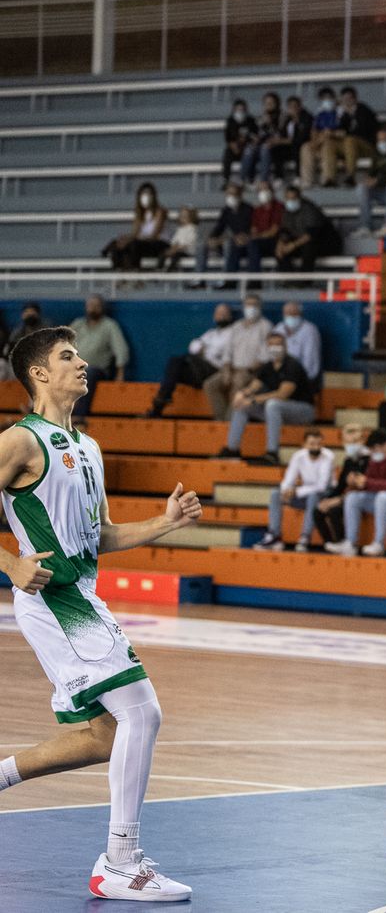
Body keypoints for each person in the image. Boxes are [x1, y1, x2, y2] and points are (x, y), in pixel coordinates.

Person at [0, 324, 203, 902]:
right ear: (39, 373)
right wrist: (11, 564)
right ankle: (120, 861)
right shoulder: (19, 440)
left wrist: (165, 522)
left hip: (82, 595)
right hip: (54, 598)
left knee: (105, 736)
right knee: (144, 713)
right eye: (68, 356)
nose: (82, 362)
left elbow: (100, 536)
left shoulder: (87, 446)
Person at [216, 332, 316, 466]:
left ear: (285, 346)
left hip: (303, 410)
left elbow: (283, 394)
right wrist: (242, 394)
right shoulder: (267, 367)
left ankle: (272, 453)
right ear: (267, 347)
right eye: (271, 345)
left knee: (272, 404)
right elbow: (254, 386)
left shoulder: (292, 365)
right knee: (242, 405)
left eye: (278, 345)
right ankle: (232, 449)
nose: (275, 348)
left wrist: (253, 400)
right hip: (278, 412)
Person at [327, 429, 386, 558]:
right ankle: (350, 543)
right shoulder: (375, 460)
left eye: (374, 449)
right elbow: (369, 482)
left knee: (383, 496)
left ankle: (379, 543)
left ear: (385, 446)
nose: (373, 453)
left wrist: (367, 482)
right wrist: (357, 482)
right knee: (353, 498)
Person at [144, 302, 235, 418]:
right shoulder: (211, 333)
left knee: (181, 360)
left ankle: (160, 401)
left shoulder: (233, 333)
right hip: (200, 370)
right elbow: (193, 346)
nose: (221, 316)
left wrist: (204, 350)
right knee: (175, 363)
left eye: (224, 313)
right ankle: (160, 402)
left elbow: (219, 353)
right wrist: (203, 349)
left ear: (229, 316)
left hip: (215, 372)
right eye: (218, 313)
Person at [255, 429, 336, 552]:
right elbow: (288, 479)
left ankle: (305, 537)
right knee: (276, 494)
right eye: (312, 444)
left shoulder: (328, 456)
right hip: (305, 491)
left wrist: (296, 491)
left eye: (319, 444)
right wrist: (286, 490)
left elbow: (321, 486)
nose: (316, 447)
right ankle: (274, 535)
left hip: (326, 493)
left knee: (313, 496)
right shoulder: (298, 456)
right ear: (304, 445)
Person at [204, 293, 271, 420]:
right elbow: (227, 352)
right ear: (244, 307)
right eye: (248, 305)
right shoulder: (237, 326)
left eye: (254, 305)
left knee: (238, 383)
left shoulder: (265, 326)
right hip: (232, 368)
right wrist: (227, 370)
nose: (251, 308)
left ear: (260, 307)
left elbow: (265, 356)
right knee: (210, 384)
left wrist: (248, 371)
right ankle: (221, 419)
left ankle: (230, 421)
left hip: (252, 371)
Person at [69, 295, 129, 425]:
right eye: (91, 306)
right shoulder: (78, 324)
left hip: (97, 370)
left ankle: (78, 416)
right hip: (73, 368)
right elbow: (62, 343)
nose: (93, 309)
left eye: (97, 306)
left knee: (88, 373)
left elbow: (121, 349)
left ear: (102, 308)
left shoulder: (109, 326)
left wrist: (120, 374)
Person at [315, 422, 371, 546]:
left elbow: (366, 486)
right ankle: (329, 543)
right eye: (348, 442)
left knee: (334, 510)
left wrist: (339, 500)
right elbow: (340, 486)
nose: (351, 445)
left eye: (355, 442)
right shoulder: (349, 460)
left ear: (363, 440)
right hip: (347, 496)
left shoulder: (370, 460)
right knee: (318, 509)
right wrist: (328, 500)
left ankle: (344, 542)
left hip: (361, 497)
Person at [102, 183, 169, 271]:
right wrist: (125, 239)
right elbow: (134, 233)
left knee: (134, 245)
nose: (146, 196)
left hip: (158, 243)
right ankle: (119, 271)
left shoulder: (160, 211)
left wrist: (133, 239)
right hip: (143, 243)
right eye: (143, 194)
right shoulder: (140, 214)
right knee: (118, 245)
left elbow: (154, 235)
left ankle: (135, 271)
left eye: (148, 193)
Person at [275, 186, 339, 273]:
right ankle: (288, 277)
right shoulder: (286, 211)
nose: (291, 201)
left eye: (293, 198)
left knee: (309, 247)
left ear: (299, 198)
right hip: (299, 243)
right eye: (288, 198)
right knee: (280, 250)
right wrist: (280, 244)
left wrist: (292, 245)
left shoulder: (309, 209)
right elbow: (285, 231)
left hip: (325, 244)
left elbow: (311, 234)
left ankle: (305, 278)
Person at [201, 184, 254, 277]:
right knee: (203, 245)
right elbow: (219, 227)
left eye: (234, 194)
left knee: (228, 243)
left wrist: (233, 238)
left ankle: (227, 278)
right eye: (229, 194)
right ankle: (200, 279)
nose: (231, 197)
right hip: (233, 241)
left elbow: (248, 230)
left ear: (240, 195)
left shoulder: (248, 209)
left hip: (245, 243)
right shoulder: (226, 211)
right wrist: (212, 238)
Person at [335, 86, 380, 185]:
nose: (347, 102)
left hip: (366, 146)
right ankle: (329, 179)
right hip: (349, 147)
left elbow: (364, 131)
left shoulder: (364, 111)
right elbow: (340, 130)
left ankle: (350, 175)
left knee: (350, 140)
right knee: (329, 145)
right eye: (345, 99)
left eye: (349, 98)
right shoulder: (343, 114)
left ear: (355, 98)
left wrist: (347, 132)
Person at [273, 300, 322, 390]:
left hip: (302, 378)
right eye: (288, 314)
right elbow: (273, 354)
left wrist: (294, 377)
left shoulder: (310, 330)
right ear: (283, 315)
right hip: (280, 375)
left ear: (301, 314)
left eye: (294, 314)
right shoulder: (279, 328)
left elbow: (310, 362)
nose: (291, 317)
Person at [240, 91, 283, 186]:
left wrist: (271, 124)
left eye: (271, 103)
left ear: (277, 104)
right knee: (248, 150)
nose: (269, 105)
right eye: (267, 103)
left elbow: (280, 134)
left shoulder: (283, 117)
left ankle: (264, 180)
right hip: (260, 144)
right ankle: (245, 179)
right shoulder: (260, 118)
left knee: (265, 149)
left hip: (276, 147)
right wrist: (254, 138)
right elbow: (255, 133)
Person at [302, 86, 342, 187]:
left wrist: (326, 136)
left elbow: (342, 131)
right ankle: (307, 181)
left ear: (334, 98)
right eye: (324, 98)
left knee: (327, 145)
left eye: (329, 98)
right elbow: (314, 130)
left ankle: (327, 179)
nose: (327, 100)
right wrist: (315, 141)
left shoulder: (340, 112)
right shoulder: (319, 113)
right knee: (306, 147)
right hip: (320, 141)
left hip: (335, 141)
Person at [246, 184, 285, 272]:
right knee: (246, 244)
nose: (263, 192)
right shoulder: (257, 210)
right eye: (261, 190)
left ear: (272, 191)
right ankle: (253, 276)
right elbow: (253, 230)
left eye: (266, 189)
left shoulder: (279, 207)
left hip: (275, 241)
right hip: (260, 242)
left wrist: (257, 236)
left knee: (254, 243)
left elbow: (273, 231)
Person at [276, 94, 313, 180]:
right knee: (277, 149)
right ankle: (278, 177)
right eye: (290, 107)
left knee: (297, 147)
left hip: (300, 144)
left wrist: (285, 141)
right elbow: (282, 134)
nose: (293, 109)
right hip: (288, 145)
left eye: (295, 106)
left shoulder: (306, 118)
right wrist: (281, 124)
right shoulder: (287, 119)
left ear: (300, 107)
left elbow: (303, 137)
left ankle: (298, 175)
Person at [222, 98, 256, 181]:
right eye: (238, 109)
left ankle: (249, 179)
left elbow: (254, 135)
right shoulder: (230, 121)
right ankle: (226, 178)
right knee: (227, 154)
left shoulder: (251, 121)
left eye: (242, 109)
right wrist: (234, 146)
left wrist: (247, 141)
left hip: (247, 147)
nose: (240, 112)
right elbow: (228, 138)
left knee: (251, 154)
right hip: (234, 148)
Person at [160, 206, 202, 272]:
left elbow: (188, 244)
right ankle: (159, 268)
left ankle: (171, 270)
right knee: (163, 253)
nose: (183, 217)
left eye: (185, 216)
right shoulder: (179, 229)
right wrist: (172, 249)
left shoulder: (193, 228)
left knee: (176, 255)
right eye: (181, 215)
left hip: (187, 252)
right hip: (177, 250)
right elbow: (174, 241)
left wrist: (175, 250)